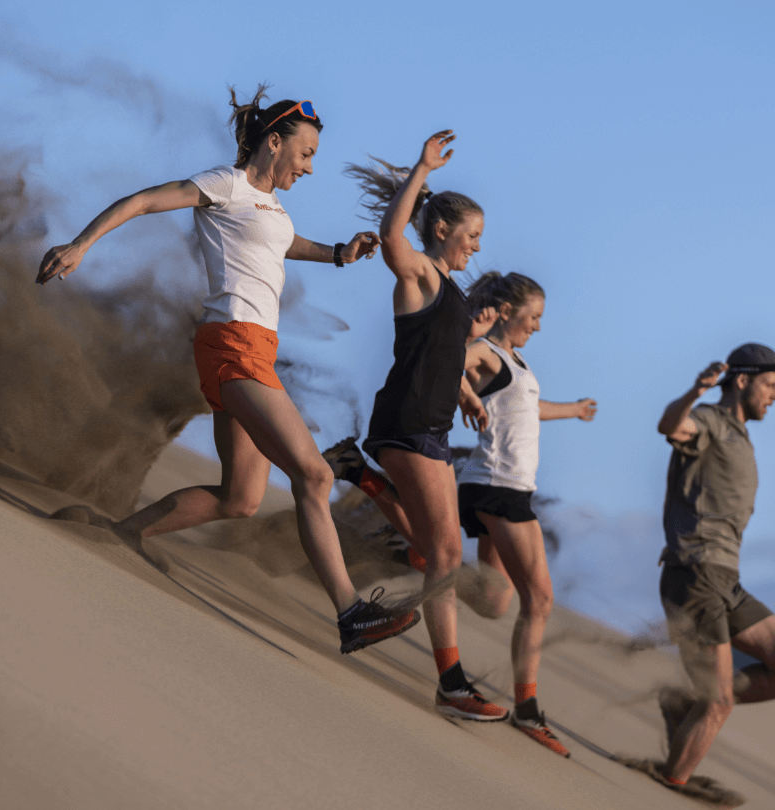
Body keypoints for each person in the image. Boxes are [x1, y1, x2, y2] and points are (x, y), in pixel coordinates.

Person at [36, 86, 419, 654]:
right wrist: (81, 243)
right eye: (306, 153)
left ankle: (119, 535)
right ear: (273, 142)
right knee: (314, 476)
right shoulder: (226, 184)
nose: (311, 167)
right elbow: (145, 200)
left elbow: (283, 243)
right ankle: (350, 613)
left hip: (253, 349)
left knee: (240, 497)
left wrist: (339, 251)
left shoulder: (271, 207)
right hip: (233, 344)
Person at [328, 272, 596, 756]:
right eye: (533, 316)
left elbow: (528, 412)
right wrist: (466, 391)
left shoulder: (516, 361)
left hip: (505, 488)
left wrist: (574, 410)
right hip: (496, 488)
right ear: (509, 311)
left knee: (493, 600)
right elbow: (447, 363)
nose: (537, 327)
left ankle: (370, 488)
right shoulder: (486, 353)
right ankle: (528, 709)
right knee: (540, 600)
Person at [329, 131, 509, 722]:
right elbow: (390, 237)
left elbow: (438, 353)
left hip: (429, 424)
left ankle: (362, 476)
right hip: (406, 422)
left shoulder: (450, 291)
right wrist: (421, 168)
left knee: (438, 551)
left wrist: (465, 392)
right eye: (471, 236)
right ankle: (452, 683)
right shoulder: (421, 275)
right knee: (445, 552)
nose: (475, 248)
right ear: (441, 231)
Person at [653, 343, 775, 788]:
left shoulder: (740, 435)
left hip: (726, 580)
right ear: (742, 381)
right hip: (697, 575)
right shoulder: (709, 421)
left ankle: (685, 703)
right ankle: (674, 785)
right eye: (770, 385)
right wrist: (694, 390)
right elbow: (670, 425)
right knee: (719, 699)